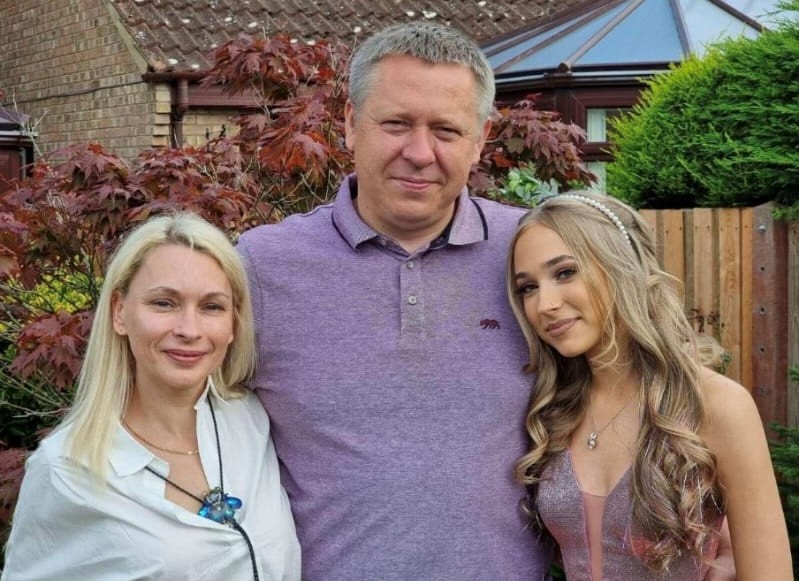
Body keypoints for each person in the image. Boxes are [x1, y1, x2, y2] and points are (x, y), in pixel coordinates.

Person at [236, 21, 553, 580]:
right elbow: (177, 421)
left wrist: (707, 517)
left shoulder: (536, 257)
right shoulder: (261, 267)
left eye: (447, 131)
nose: (420, 152)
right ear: (351, 125)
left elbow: (635, 384)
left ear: (480, 140)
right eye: (397, 124)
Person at [506, 191, 792, 580]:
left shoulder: (716, 404)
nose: (545, 305)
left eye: (565, 272)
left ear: (621, 266)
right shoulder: (553, 409)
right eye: (529, 287)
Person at [2, 213, 300, 581]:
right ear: (119, 313)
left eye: (211, 307)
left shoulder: (251, 421)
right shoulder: (66, 469)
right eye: (164, 303)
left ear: (233, 324)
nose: (189, 330)